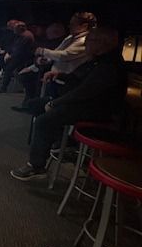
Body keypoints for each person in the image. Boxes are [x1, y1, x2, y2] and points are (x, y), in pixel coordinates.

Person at [10, 27, 127, 180]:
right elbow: (79, 79)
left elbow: (84, 92)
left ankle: (37, 166)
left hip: (96, 110)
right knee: (34, 105)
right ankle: (60, 142)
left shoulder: (109, 65)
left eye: (89, 41)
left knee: (43, 121)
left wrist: (55, 103)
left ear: (101, 43)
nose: (86, 45)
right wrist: (60, 75)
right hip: (81, 102)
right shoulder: (98, 59)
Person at [0, 21, 35, 93]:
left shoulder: (25, 36)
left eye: (14, 28)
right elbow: (14, 46)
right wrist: (7, 52)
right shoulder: (21, 35)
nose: (13, 30)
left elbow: (19, 50)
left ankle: (3, 88)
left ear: (19, 29)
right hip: (19, 55)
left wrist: (10, 56)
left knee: (8, 69)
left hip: (24, 57)